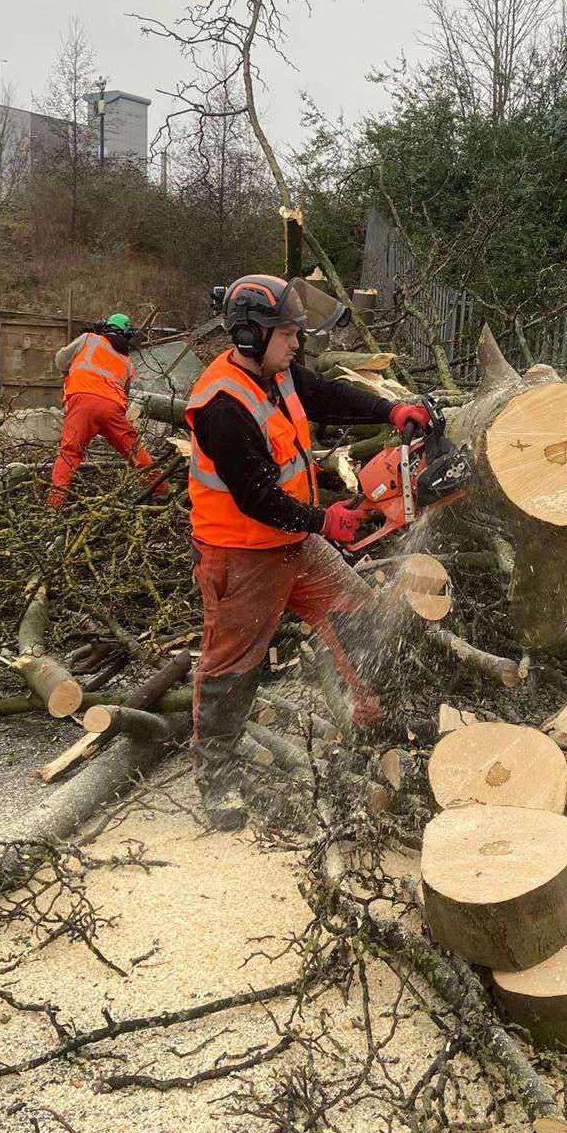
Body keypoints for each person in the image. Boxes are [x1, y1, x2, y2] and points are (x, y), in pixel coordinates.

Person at [185, 274, 433, 829]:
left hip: (296, 541)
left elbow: (325, 394)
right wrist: (325, 520)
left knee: (359, 612)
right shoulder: (222, 404)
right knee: (232, 667)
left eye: (298, 330)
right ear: (250, 336)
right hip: (242, 554)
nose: (297, 342)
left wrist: (388, 412)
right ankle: (216, 780)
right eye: (287, 332)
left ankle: (371, 721)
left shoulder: (279, 373)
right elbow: (254, 498)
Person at [49, 313, 169, 507]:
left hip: (82, 402)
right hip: (112, 408)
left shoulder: (89, 339)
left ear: (104, 326)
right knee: (134, 451)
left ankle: (55, 504)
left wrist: (71, 370)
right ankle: (161, 491)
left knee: (69, 453)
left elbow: (60, 360)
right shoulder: (128, 364)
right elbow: (125, 393)